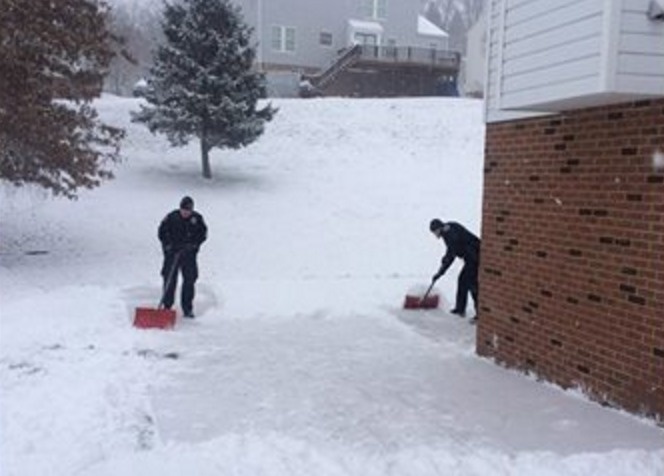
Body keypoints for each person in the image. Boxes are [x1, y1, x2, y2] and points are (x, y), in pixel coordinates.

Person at [158, 196, 207, 318]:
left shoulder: (197, 219)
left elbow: (203, 235)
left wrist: (193, 245)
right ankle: (167, 306)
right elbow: (161, 232)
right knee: (169, 279)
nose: (185, 213)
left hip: (188, 256)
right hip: (172, 254)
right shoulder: (171, 217)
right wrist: (168, 245)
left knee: (189, 280)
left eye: (188, 211)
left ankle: (187, 308)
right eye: (183, 210)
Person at [429, 218, 480, 321]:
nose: (435, 235)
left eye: (434, 232)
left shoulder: (449, 234)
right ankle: (460, 309)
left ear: (438, 229)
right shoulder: (449, 228)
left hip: (475, 256)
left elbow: (451, 254)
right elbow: (451, 251)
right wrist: (442, 268)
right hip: (471, 257)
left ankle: (479, 313)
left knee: (472, 284)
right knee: (463, 281)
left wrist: (440, 272)